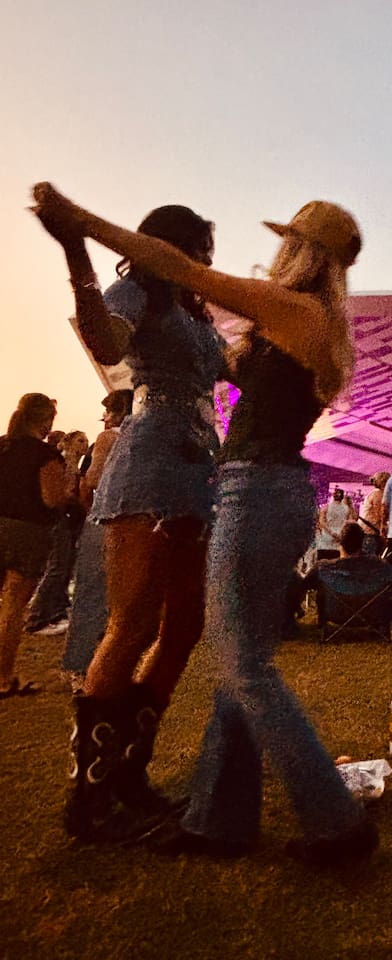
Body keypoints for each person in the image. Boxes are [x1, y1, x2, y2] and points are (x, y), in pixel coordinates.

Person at [33, 184, 378, 863]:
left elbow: (188, 277)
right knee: (211, 649)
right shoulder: (300, 321)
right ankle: (189, 811)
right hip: (219, 477)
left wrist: (81, 224)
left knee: (229, 656)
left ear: (302, 252)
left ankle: (325, 823)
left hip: (240, 485)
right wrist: (90, 260)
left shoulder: (288, 308)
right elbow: (131, 335)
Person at [33, 190, 228, 840]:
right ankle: (88, 800)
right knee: (134, 621)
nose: (206, 262)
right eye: (198, 250)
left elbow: (242, 371)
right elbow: (105, 339)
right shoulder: (137, 295)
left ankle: (126, 772)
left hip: (200, 470)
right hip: (149, 463)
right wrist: (76, 251)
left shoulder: (199, 320)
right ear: (163, 247)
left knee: (186, 625)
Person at [62, 390, 134, 682]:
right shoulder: (145, 440)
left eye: (107, 411)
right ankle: (94, 663)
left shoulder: (109, 437)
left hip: (104, 516)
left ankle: (80, 664)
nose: (105, 418)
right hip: (130, 521)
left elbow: (92, 479)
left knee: (91, 593)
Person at [0, 394, 67, 697]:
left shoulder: (3, 446)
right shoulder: (45, 455)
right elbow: (51, 499)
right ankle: (2, 678)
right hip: (27, 531)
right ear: (45, 420)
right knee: (13, 607)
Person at [25, 429, 89, 636]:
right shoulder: (65, 463)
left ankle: (56, 612)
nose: (85, 445)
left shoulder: (73, 463)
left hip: (68, 520)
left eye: (86, 441)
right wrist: (84, 504)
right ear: (68, 442)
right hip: (60, 520)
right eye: (80, 440)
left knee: (65, 565)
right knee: (57, 566)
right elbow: (66, 492)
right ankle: (37, 617)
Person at [316, 487, 357, 558]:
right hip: (340, 537)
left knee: (324, 561)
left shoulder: (326, 507)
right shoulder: (347, 509)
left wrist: (331, 532)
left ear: (333, 496)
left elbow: (321, 522)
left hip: (327, 538)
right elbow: (350, 522)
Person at [358, 471, 390, 555]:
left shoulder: (374, 493)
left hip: (368, 531)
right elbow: (380, 514)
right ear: (384, 482)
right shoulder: (378, 494)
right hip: (370, 532)